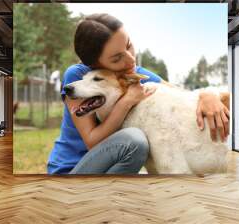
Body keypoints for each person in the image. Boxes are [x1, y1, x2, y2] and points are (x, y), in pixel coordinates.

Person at [47, 13, 229, 175]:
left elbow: (181, 93)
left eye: (129, 45)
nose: (131, 59)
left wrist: (209, 95)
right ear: (95, 64)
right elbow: (92, 142)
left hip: (113, 165)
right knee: (135, 141)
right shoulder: (77, 76)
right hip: (72, 170)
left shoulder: (132, 72)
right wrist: (127, 101)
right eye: (117, 58)